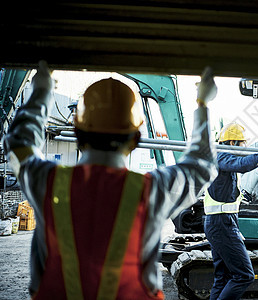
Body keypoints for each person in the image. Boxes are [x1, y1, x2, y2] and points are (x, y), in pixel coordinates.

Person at [3, 61, 218, 299]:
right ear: (136, 138)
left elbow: (18, 145)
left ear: (76, 131)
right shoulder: (151, 190)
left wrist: (40, 92)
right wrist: (202, 104)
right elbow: (202, 165)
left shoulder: (48, 183)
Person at [203, 122, 258, 300]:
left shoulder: (220, 156)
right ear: (232, 143)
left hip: (220, 223)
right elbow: (242, 164)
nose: (244, 147)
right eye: (242, 143)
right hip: (221, 224)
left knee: (222, 277)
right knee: (244, 276)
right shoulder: (221, 155)